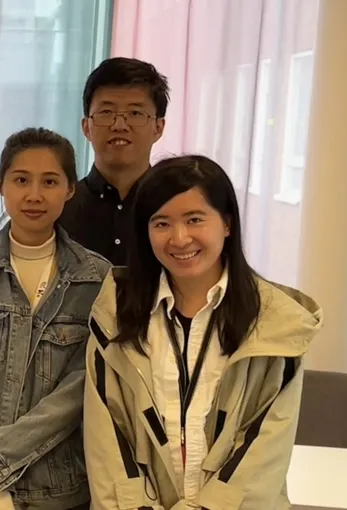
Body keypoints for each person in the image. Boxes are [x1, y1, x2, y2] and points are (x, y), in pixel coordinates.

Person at [83, 155, 320, 509]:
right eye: (161, 223)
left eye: (195, 220)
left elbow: (263, 454)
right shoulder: (114, 317)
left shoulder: (277, 325)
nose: (179, 239)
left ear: (226, 224)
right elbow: (109, 447)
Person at [0, 128, 109, 510]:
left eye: (50, 182)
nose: (34, 195)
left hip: (55, 482)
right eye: (21, 179)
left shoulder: (97, 278)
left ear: (70, 189)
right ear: (1, 185)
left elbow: (81, 386)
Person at [59, 57, 170, 266]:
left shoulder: (175, 208)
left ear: (158, 127)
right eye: (106, 112)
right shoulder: (57, 207)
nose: (119, 125)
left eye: (135, 113)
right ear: (86, 127)